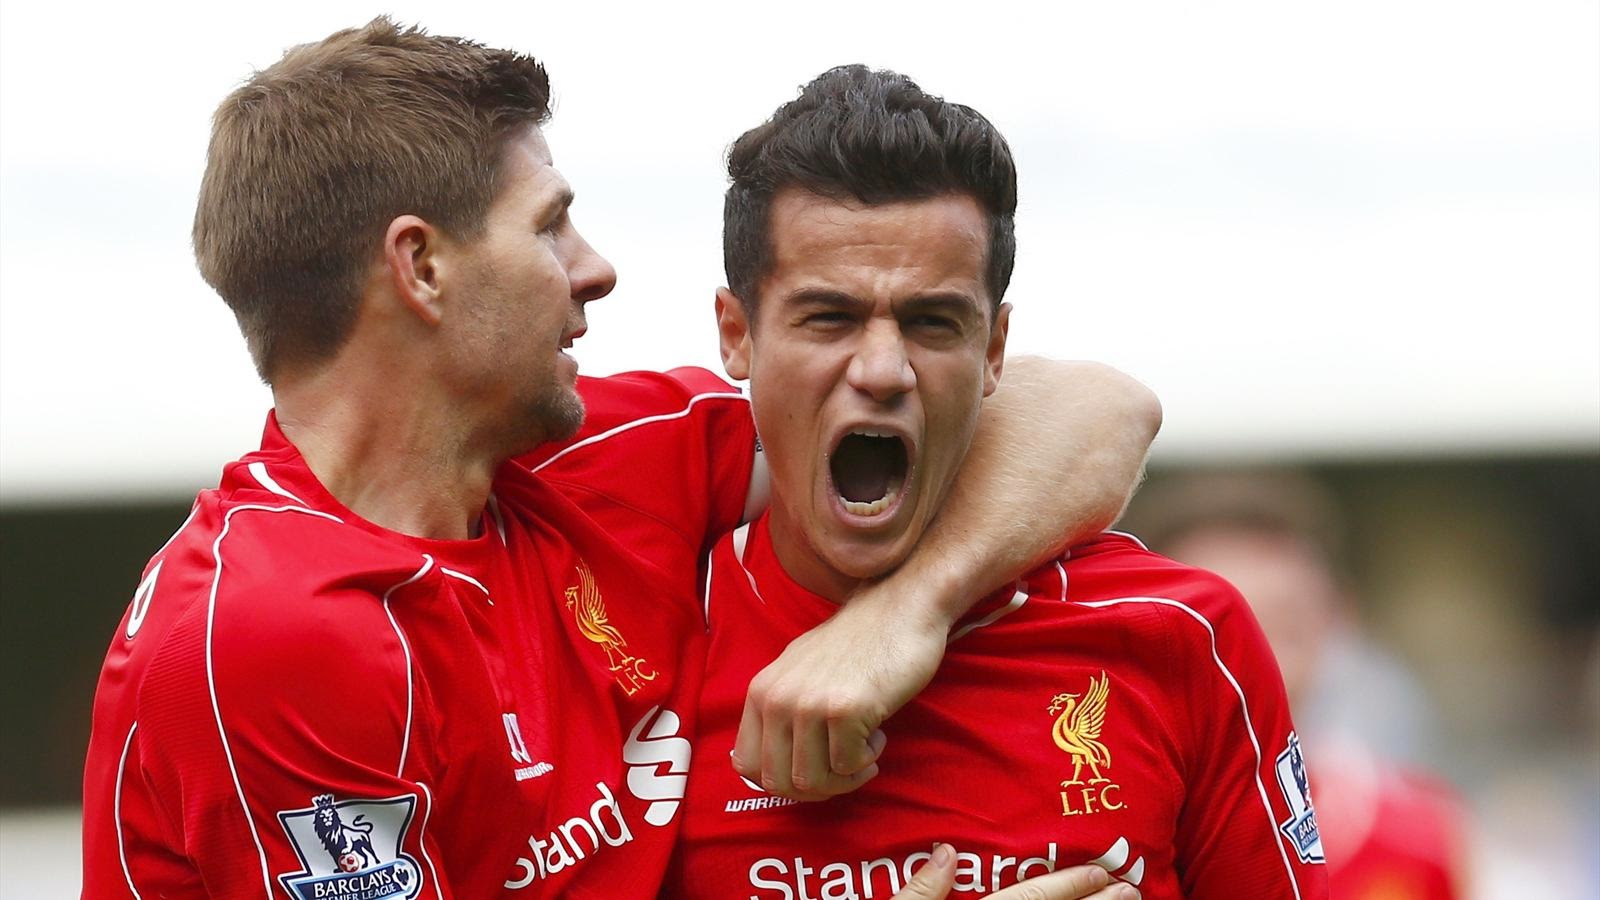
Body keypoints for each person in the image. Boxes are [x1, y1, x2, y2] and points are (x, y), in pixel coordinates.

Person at [78, 21, 1158, 899]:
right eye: (550, 227)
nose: (594, 270)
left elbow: (1097, 407)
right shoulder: (275, 631)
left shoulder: (595, 458)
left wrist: (904, 614)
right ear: (422, 268)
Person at [665, 65, 1329, 900]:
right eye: (829, 317)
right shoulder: (648, 644)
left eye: (932, 321)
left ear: (994, 350)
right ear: (737, 335)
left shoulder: (1180, 632)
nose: (883, 370)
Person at [1135, 472, 1471, 900]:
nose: (1256, 660)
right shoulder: (1098, 846)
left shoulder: (1421, 837)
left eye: (1284, 626)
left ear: (1338, 620)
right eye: (1216, 629)